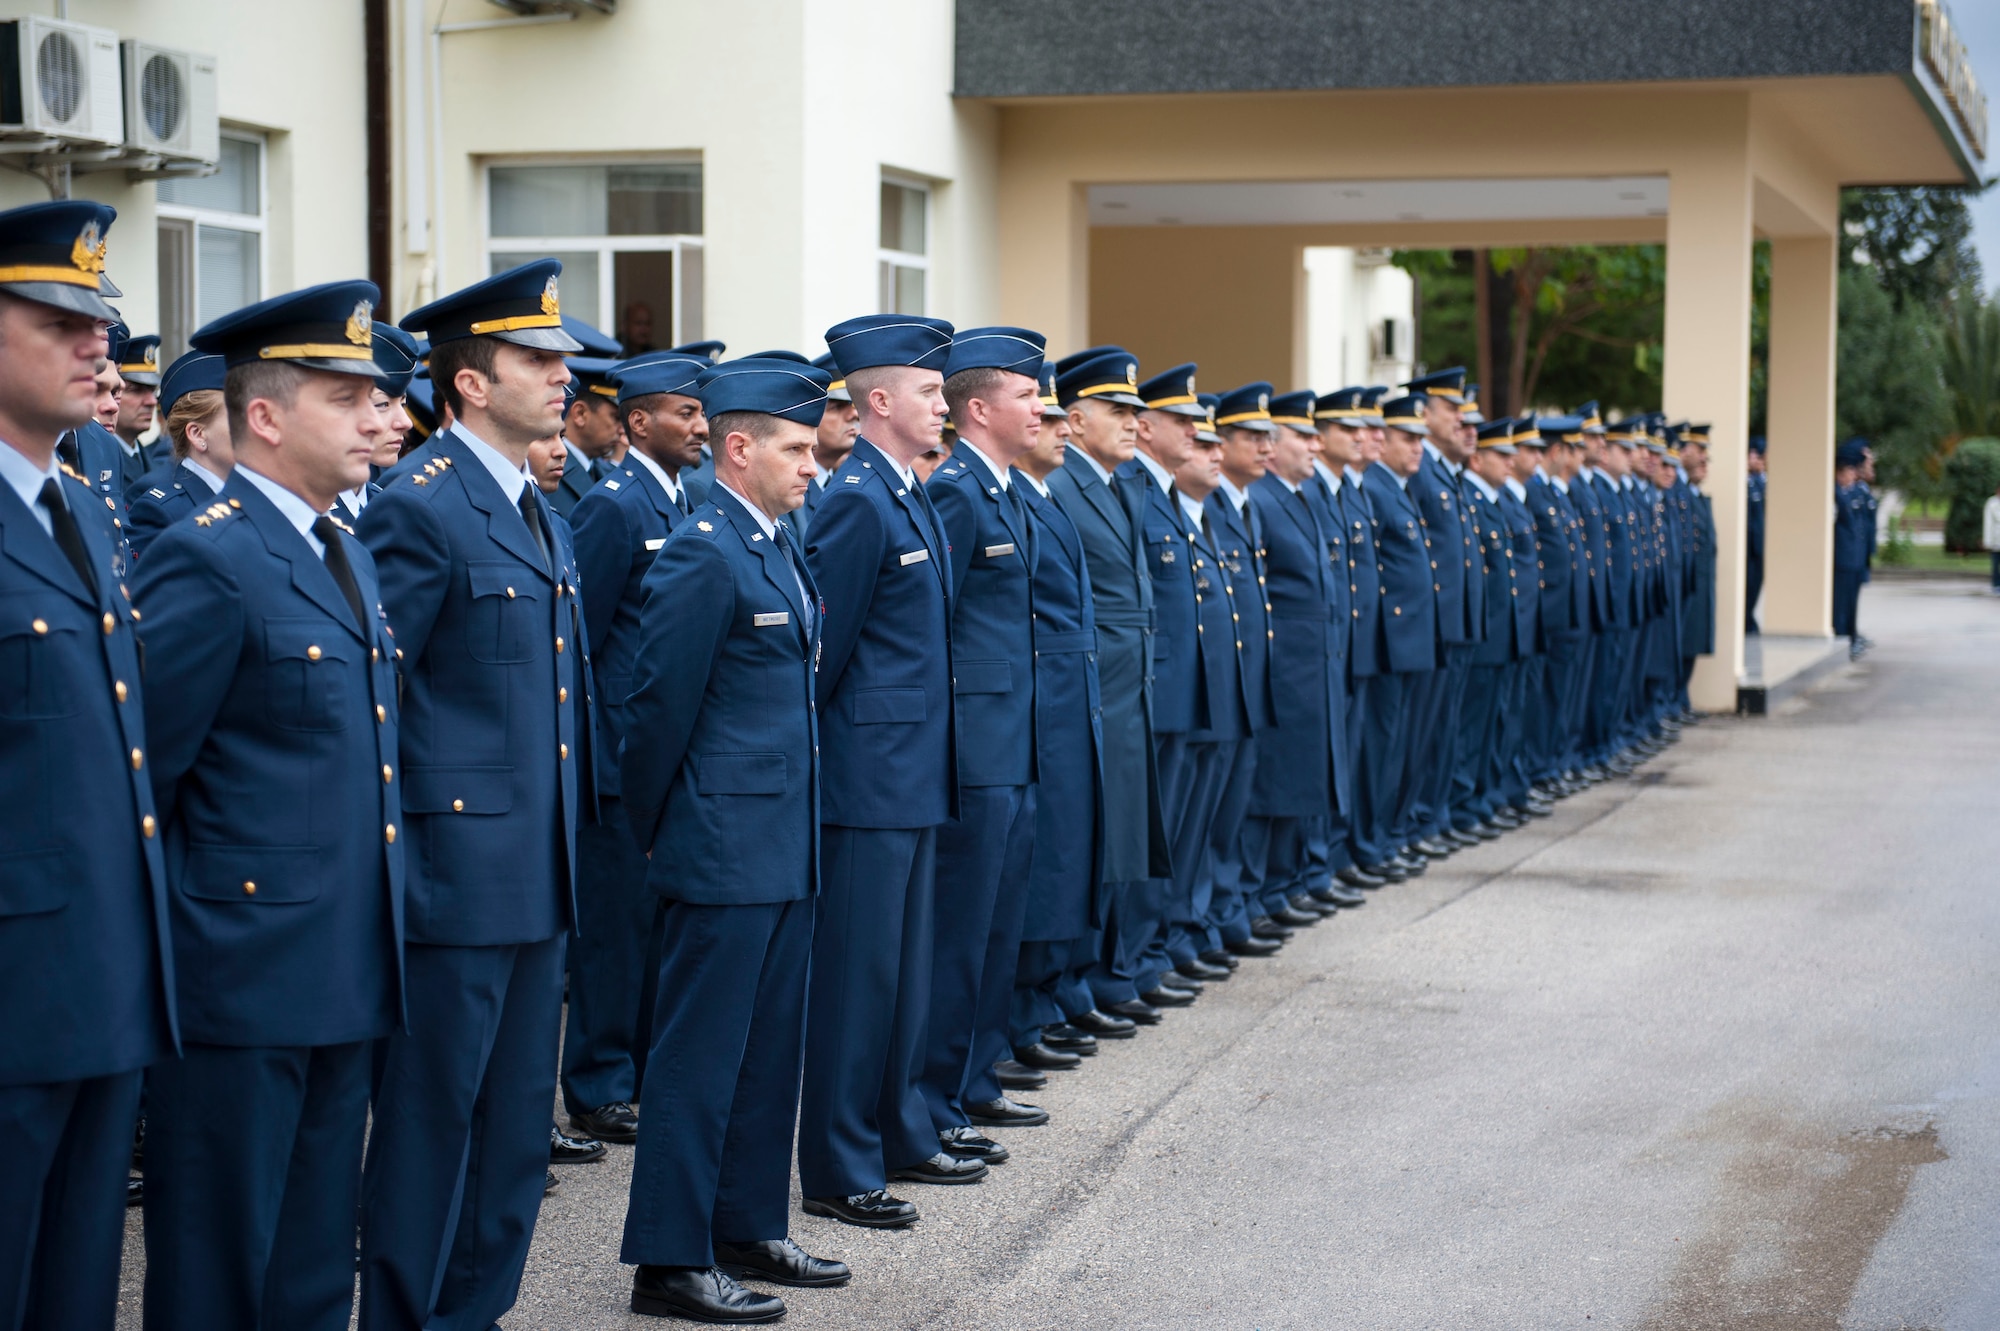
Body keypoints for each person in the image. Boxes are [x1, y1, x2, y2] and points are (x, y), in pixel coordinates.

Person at [132, 279, 404, 1331]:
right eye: (347, 397)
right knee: (217, 1259)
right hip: (238, 975)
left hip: (341, 960)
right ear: (264, 415)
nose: (379, 417)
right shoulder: (208, 554)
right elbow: (145, 781)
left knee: (306, 1261)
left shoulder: (342, 548)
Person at [357, 259, 588, 1331]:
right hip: (454, 873)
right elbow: (378, 694)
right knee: (432, 1118)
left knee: (510, 1134)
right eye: (536, 359)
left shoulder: (532, 502)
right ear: (469, 386)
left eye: (561, 357)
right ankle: (409, 1312)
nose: (562, 375)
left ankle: (474, 1310)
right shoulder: (422, 503)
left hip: (536, 867)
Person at [618, 356, 850, 1323]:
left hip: (781, 836)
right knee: (699, 1055)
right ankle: (670, 1258)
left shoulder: (775, 538)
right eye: (796, 447)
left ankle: (747, 1222)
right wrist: (662, 832)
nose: (812, 463)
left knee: (765, 1050)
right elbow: (654, 712)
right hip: (722, 842)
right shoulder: (701, 550)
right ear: (739, 447)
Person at [0, 198, 174, 1331]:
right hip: (14, 989)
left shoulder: (75, 501)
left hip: (100, 976)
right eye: (58, 316)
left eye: (96, 318)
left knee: (76, 1290)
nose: (95, 340)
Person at [799, 312, 977, 1230]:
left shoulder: (900, 489)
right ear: (878, 400)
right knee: (856, 980)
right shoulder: (858, 500)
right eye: (931, 392)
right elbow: (823, 656)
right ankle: (836, 1160)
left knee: (902, 974)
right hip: (867, 779)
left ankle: (900, 1129)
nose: (945, 406)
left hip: (910, 772)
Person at [562, 353, 709, 1147]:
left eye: (700, 414)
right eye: (682, 414)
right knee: (615, 931)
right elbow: (581, 642)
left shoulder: (688, 499)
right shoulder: (615, 509)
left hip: (668, 746)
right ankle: (598, 1080)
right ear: (637, 421)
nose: (698, 426)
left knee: (656, 922)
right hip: (620, 751)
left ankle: (645, 1067)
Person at [920, 327, 1051, 1161]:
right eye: (1028, 394)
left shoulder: (1002, 489)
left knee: (997, 926)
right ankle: (935, 1097)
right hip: (975, 746)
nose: (1041, 408)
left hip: (1014, 739)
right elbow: (934, 624)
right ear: (980, 408)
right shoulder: (959, 491)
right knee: (960, 932)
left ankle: (971, 1077)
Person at [1043, 347, 1171, 1032]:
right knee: (1093, 836)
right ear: (1076, 416)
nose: (1132, 423)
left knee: (1124, 832)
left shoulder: (1117, 483)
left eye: (1134, 412)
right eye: (1118, 411)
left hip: (1130, 677)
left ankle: (1111, 968)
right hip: (1097, 680)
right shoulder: (1064, 482)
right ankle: (1079, 979)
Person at [1009, 362, 1126, 1074]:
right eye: (1045, 418)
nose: (1055, 431)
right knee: (1041, 865)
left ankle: (1045, 996)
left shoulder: (1042, 496)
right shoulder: (999, 496)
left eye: (1059, 420)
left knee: (1063, 858)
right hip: (1033, 703)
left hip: (1063, 697)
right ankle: (1022, 1011)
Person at [125, 352, 231, 562]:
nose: (254, 427)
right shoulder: (161, 511)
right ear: (197, 434)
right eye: (238, 417)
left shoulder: (251, 496)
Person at [1832, 436, 1876, 658]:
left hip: (1855, 556)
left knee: (1850, 602)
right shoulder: (1837, 493)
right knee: (1841, 603)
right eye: (1850, 469)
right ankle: (1843, 638)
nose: (1853, 474)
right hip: (1843, 557)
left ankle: (1850, 634)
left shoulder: (1854, 491)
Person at [112, 329, 168, 476]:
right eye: (135, 390)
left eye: (152, 390)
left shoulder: (152, 463)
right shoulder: (93, 460)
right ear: (111, 391)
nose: (152, 401)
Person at [1745, 435, 1766, 631]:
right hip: (1750, 547)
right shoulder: (1748, 483)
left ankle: (1749, 618)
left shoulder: (1761, 482)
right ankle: (1747, 620)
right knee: (1749, 587)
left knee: (1756, 586)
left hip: (1760, 545)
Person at [1984, 479, 2000, 595]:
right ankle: (1995, 585)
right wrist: (1988, 541)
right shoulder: (1991, 503)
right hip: (1996, 540)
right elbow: (1988, 523)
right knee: (1995, 565)